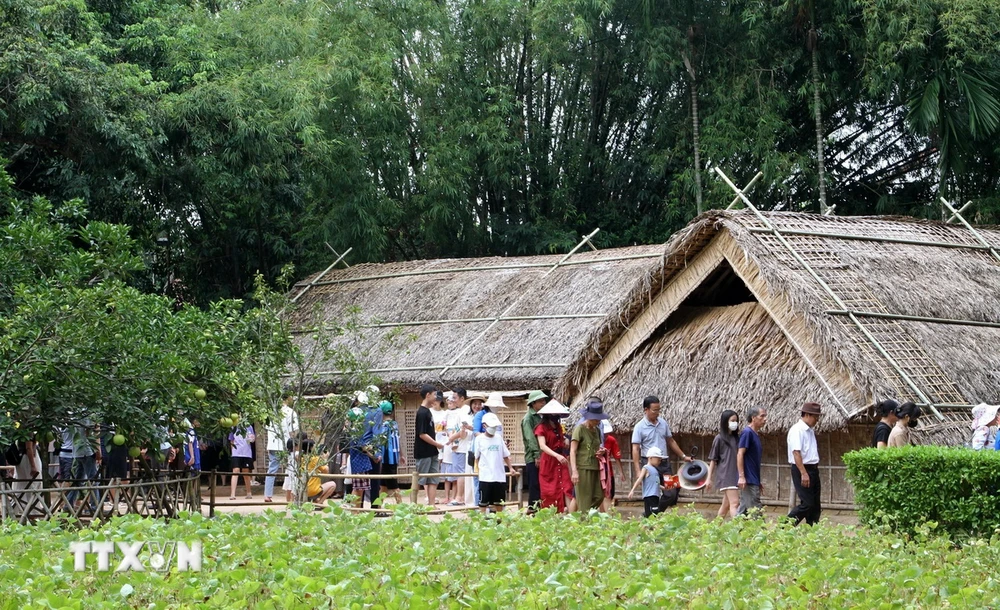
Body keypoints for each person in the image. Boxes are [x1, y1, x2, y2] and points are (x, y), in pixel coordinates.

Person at [630, 395, 692, 510]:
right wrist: (638, 470)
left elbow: (671, 440)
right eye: (655, 410)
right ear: (646, 410)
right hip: (649, 465)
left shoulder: (663, 423)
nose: (657, 413)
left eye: (659, 410)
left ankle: (655, 513)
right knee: (651, 493)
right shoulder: (639, 427)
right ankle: (650, 518)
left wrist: (683, 456)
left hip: (664, 463)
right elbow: (635, 449)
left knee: (672, 492)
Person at [570, 398, 610, 513]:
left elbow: (598, 446)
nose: (598, 422)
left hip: (596, 467)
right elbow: (573, 451)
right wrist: (574, 471)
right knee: (584, 500)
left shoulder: (597, 430)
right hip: (583, 468)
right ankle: (583, 521)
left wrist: (601, 451)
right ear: (589, 417)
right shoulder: (580, 429)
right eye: (596, 419)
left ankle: (585, 515)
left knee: (599, 496)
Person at [535, 400, 574, 512]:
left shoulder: (558, 426)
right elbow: (542, 446)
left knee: (567, 487)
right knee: (550, 491)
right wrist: (556, 455)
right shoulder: (541, 427)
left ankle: (572, 517)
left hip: (561, 461)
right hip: (549, 461)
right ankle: (551, 518)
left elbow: (560, 439)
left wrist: (565, 440)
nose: (556, 416)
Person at [787, 402, 822, 526]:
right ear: (807, 415)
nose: (817, 420)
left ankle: (812, 528)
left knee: (815, 504)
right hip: (802, 468)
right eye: (815, 417)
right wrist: (803, 473)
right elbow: (796, 453)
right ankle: (785, 526)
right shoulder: (797, 430)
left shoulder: (810, 431)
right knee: (807, 503)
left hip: (813, 468)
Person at [474, 412, 513, 514]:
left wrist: (511, 468)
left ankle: (499, 521)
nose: (493, 428)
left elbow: (505, 455)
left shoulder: (499, 438)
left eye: (495, 426)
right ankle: (482, 521)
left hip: (499, 476)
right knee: (483, 502)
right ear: (484, 426)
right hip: (485, 475)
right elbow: (476, 456)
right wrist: (477, 470)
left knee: (499, 503)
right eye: (491, 426)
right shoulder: (479, 439)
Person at [706, 410, 740, 519]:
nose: (735, 423)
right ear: (725, 422)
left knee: (726, 505)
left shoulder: (737, 438)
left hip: (735, 475)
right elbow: (713, 460)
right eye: (732, 421)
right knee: (735, 503)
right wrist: (709, 478)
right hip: (726, 475)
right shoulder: (719, 439)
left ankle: (714, 530)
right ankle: (738, 529)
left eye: (736, 421)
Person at [414, 384, 444, 505]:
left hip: (432, 451)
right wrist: (437, 443)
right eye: (434, 394)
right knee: (419, 479)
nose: (436, 397)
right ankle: (413, 503)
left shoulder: (428, 411)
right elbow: (422, 434)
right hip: (423, 451)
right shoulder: (421, 413)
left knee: (433, 479)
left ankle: (431, 505)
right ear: (428, 395)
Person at [264, 398, 300, 503]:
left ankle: (267, 495)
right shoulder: (290, 412)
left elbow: (268, 430)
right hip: (287, 445)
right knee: (292, 468)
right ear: (287, 399)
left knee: (272, 469)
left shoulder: (271, 412)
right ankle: (292, 494)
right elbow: (293, 432)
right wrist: (294, 445)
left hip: (273, 445)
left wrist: (269, 445)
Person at [736, 406, 767, 517]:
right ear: (753, 418)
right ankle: (762, 533)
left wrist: (757, 481)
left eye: (765, 416)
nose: (765, 419)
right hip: (748, 480)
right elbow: (740, 454)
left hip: (752, 479)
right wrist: (742, 476)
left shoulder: (755, 434)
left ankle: (732, 532)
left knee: (743, 512)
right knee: (756, 512)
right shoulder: (747, 433)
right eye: (762, 416)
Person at [521, 390, 547, 514]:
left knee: (541, 482)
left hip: (541, 455)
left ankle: (540, 508)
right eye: (541, 401)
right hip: (533, 457)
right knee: (534, 483)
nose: (543, 403)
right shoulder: (528, 418)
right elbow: (530, 438)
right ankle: (532, 509)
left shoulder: (540, 416)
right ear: (533, 403)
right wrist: (537, 455)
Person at [377, 401, 406, 504]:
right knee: (383, 485)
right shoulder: (394, 424)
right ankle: (379, 506)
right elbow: (398, 440)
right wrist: (401, 454)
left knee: (393, 485)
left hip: (386, 458)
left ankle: (401, 506)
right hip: (393, 457)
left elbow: (380, 442)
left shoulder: (383, 426)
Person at [463, 392, 487, 507]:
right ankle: (475, 502)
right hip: (472, 449)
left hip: (483, 449)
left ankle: (481, 502)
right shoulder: (468, 417)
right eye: (475, 404)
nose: (477, 406)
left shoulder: (485, 416)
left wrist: (474, 429)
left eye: (479, 404)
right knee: (474, 476)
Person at [628, 446, 665, 518]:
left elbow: (656, 484)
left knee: (654, 513)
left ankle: (646, 524)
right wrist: (632, 490)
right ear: (650, 458)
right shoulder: (646, 468)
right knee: (652, 514)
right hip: (650, 496)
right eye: (658, 459)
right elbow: (639, 479)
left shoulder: (655, 470)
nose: (659, 461)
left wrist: (664, 488)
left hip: (656, 495)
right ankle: (648, 526)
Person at [599, 419, 624, 511]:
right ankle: (602, 514)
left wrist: (621, 472)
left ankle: (607, 515)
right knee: (599, 495)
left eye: (607, 433)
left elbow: (617, 457)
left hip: (608, 472)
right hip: (598, 470)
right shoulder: (595, 440)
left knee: (609, 494)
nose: (605, 435)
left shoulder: (611, 440)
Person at [229, 424, 256, 500]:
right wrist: (232, 452)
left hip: (246, 453)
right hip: (236, 452)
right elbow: (231, 440)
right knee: (235, 471)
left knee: (246, 472)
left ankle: (249, 492)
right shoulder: (233, 427)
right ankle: (232, 494)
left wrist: (251, 438)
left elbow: (252, 439)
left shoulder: (249, 427)